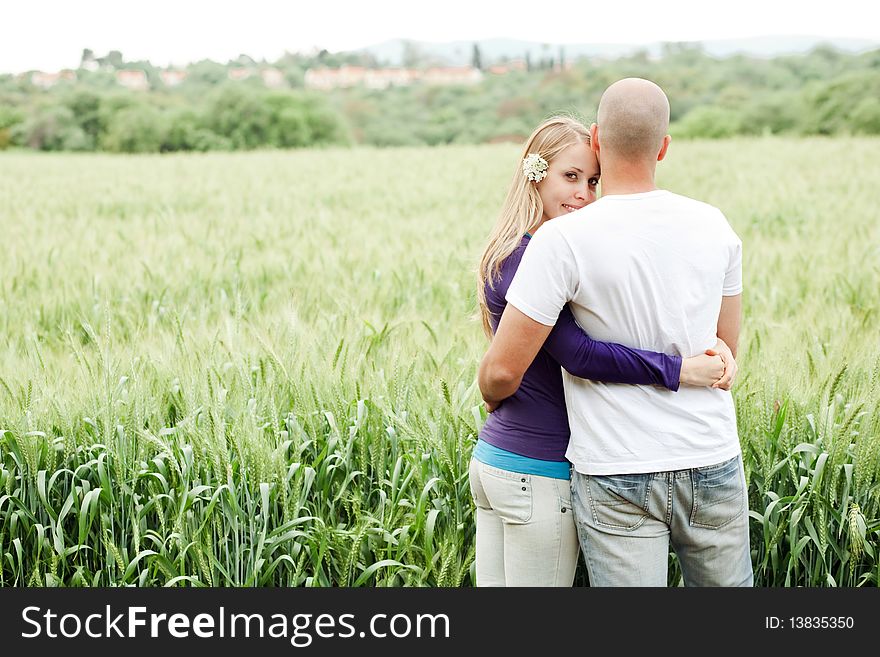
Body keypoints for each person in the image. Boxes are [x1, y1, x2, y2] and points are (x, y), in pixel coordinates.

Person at [472, 115, 737, 587]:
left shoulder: (512, 248)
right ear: (535, 174)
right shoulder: (540, 254)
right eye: (570, 177)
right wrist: (682, 369)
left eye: (593, 181)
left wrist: (495, 385)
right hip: (540, 467)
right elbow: (579, 354)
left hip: (501, 460)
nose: (583, 194)